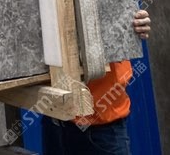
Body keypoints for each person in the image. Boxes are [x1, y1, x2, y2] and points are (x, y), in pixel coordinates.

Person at [41, 9, 152, 154]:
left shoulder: (110, 0)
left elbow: (124, 12)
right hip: (56, 118)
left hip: (102, 124)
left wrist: (136, 22)